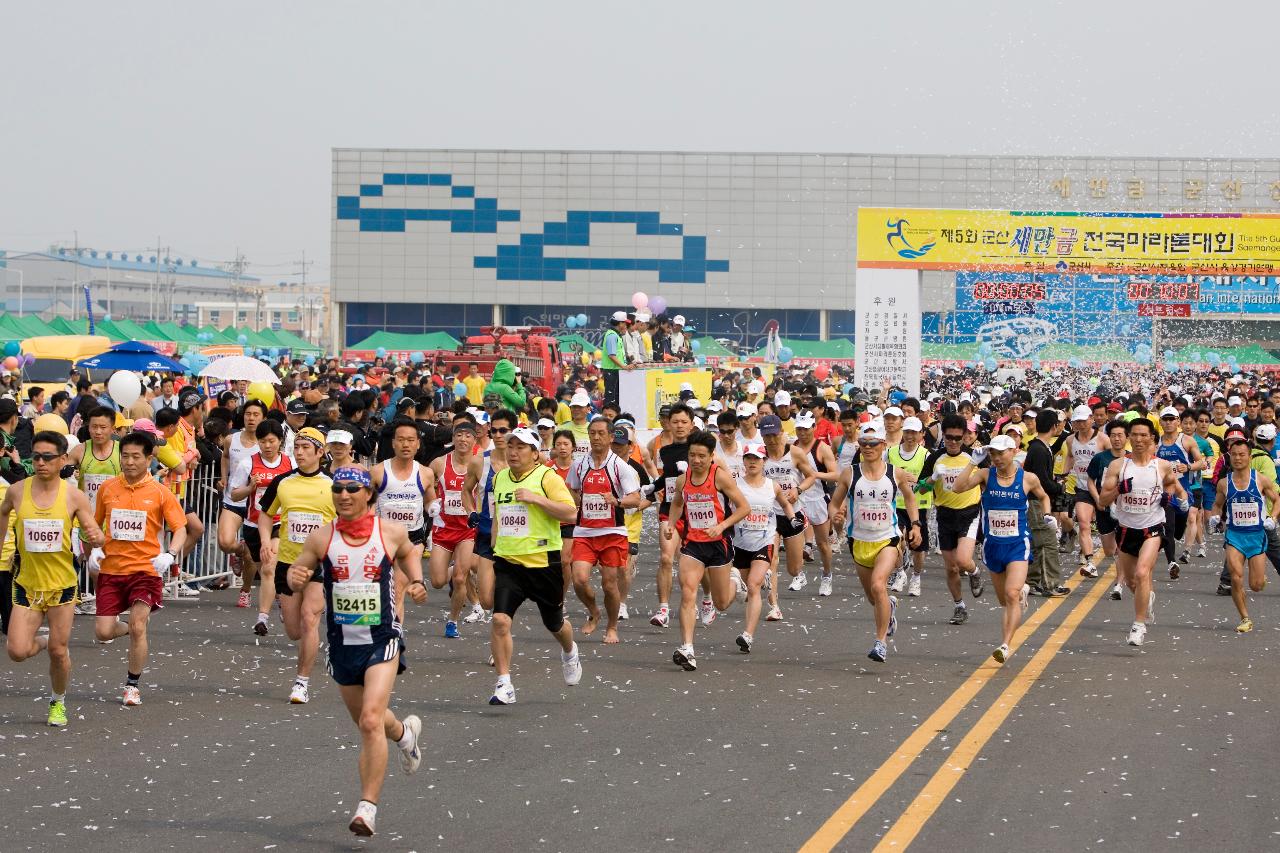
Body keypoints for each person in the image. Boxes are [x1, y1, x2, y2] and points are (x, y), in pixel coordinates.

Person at [285, 466, 428, 837]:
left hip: (382, 636)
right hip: (343, 641)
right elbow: (296, 570)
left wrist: (416, 581)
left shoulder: (389, 532)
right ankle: (404, 735)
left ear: (368, 495)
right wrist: (294, 576)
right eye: (338, 489)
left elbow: (410, 553)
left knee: (368, 720)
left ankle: (367, 808)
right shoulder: (322, 537)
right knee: (373, 721)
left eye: (352, 489)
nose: (344, 495)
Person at [0, 430, 104, 726]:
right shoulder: (17, 490)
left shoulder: (73, 495)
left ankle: (57, 702)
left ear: (62, 460)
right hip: (27, 584)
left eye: (48, 457)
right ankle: (43, 640)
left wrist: (95, 536)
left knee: (60, 652)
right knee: (17, 651)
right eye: (36, 456)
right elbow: (4, 513)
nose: (41, 462)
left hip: (61, 585)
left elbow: (89, 528)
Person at [86, 431, 188, 705]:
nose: (129, 462)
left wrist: (170, 554)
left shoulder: (160, 492)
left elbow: (180, 528)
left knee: (139, 624)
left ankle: (132, 685)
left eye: (135, 457)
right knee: (103, 632)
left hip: (145, 570)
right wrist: (95, 548)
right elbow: (95, 524)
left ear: (149, 458)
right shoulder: (108, 488)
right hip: (112, 569)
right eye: (125, 456)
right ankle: (132, 627)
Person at [488, 427, 582, 705]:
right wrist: (494, 544)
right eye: (510, 446)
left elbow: (570, 512)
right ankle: (504, 683)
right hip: (508, 562)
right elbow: (498, 514)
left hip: (543, 562)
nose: (513, 452)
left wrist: (535, 498)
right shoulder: (501, 477)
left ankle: (569, 651)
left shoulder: (546, 477)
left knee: (554, 623)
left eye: (520, 447)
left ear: (534, 453)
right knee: (500, 620)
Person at [950, 435, 1050, 663]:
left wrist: (1046, 515)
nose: (996, 458)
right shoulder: (986, 475)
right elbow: (957, 488)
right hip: (993, 546)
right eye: (992, 453)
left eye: (1000, 453)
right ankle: (1020, 594)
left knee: (1011, 594)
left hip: (1017, 545)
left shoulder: (1028, 478)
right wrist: (973, 463)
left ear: (1013, 451)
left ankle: (1005, 645)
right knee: (1004, 601)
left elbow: (1044, 497)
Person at [830, 420, 921, 662]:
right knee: (874, 597)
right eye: (863, 443)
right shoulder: (850, 473)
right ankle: (888, 607)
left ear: (882, 445)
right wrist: (836, 516)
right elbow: (834, 503)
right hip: (859, 540)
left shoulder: (895, 473)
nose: (867, 447)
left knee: (879, 585)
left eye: (872, 443)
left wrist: (915, 525)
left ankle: (880, 643)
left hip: (887, 539)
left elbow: (911, 500)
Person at [256, 426, 335, 701]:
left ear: (320, 453)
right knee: (293, 631)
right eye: (297, 447)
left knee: (309, 618)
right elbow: (265, 515)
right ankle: (289, 615)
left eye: (305, 448)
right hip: (288, 563)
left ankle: (301, 683)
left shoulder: (333, 484)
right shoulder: (283, 482)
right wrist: (266, 541)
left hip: (320, 564)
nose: (299, 453)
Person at [664, 430, 750, 670]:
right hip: (693, 544)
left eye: (702, 456)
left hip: (718, 544)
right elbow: (677, 503)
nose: (696, 460)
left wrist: (721, 526)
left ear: (712, 456)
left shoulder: (720, 478)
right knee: (688, 592)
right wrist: (671, 524)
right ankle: (687, 648)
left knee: (722, 603)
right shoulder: (683, 479)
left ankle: (736, 580)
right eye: (692, 455)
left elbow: (744, 507)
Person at [1099, 417, 1188, 647]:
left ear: (1151, 438)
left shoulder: (1161, 465)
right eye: (1135, 435)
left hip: (1152, 528)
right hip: (1127, 530)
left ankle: (1138, 625)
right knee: (1131, 582)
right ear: (1129, 437)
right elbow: (1102, 500)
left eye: (1143, 435)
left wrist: (1171, 497)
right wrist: (1120, 489)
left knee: (1141, 573)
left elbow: (1172, 483)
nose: (1139, 439)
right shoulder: (1119, 466)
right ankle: (1146, 598)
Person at [566, 418, 641, 644]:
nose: (596, 437)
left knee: (609, 584)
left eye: (601, 433)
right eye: (592, 433)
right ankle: (594, 611)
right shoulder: (579, 464)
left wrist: (616, 501)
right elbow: (573, 488)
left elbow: (635, 499)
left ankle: (611, 626)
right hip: (585, 532)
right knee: (578, 579)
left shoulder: (620, 466)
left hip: (612, 532)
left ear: (610, 437)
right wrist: (580, 503)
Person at [1209, 437, 1280, 633]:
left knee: (1256, 585)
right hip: (1235, 536)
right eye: (1234, 455)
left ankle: (1260, 578)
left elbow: (1276, 499)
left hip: (1256, 535)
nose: (1238, 458)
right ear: (1229, 457)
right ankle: (1245, 618)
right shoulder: (1224, 483)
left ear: (1249, 456)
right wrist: (1215, 517)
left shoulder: (1260, 479)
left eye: (1242, 455)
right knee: (1236, 577)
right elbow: (1217, 504)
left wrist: (1272, 518)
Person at [922, 413, 987, 624]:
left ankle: (975, 572)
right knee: (951, 568)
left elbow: (989, 479)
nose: (952, 442)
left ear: (965, 437)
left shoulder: (973, 457)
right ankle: (959, 606)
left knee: (962, 560)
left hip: (969, 513)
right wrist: (932, 478)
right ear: (943, 435)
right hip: (945, 514)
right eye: (949, 437)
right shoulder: (934, 458)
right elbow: (920, 489)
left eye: (957, 438)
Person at [371, 417, 438, 617]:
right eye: (401, 439)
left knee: (398, 589)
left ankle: (394, 637)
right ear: (393, 443)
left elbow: (430, 501)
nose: (405, 444)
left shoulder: (425, 473)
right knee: (381, 591)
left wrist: (434, 507)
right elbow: (365, 503)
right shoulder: (378, 472)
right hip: (383, 538)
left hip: (412, 538)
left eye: (410, 440)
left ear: (418, 443)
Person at [731, 440, 792, 653]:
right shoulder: (735, 485)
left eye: (757, 458)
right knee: (745, 590)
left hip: (764, 540)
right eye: (749, 458)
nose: (752, 462)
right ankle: (760, 577)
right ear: (744, 461)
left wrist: (793, 519)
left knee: (754, 585)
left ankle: (747, 635)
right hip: (740, 543)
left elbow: (785, 504)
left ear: (764, 461)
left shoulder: (771, 485)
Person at [228, 419, 293, 612]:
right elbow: (234, 494)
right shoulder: (248, 463)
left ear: (280, 441)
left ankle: (270, 609)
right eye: (263, 441)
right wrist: (250, 487)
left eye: (272, 441)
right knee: (260, 566)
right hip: (253, 524)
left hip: (280, 522)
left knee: (270, 565)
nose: (267, 446)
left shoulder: (290, 463)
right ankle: (248, 590)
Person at [760, 413, 817, 619]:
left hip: (793, 513)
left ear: (782, 432)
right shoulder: (759, 456)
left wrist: (798, 490)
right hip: (769, 515)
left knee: (794, 568)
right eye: (767, 436)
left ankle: (798, 574)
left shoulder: (795, 453)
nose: (771, 440)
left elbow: (811, 476)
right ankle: (774, 606)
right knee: (771, 561)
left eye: (774, 435)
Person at [428, 418, 478, 637]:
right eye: (459, 435)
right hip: (443, 529)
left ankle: (453, 621)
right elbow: (426, 484)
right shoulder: (439, 463)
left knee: (460, 578)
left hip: (467, 530)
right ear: (453, 438)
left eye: (468, 436)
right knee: (438, 582)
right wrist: (432, 502)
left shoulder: (479, 464)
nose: (463, 439)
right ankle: (456, 566)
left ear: (475, 440)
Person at [650, 404, 694, 627]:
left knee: (691, 563)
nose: (678, 426)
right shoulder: (664, 452)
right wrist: (648, 491)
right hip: (669, 510)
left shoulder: (699, 449)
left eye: (683, 422)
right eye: (674, 421)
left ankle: (704, 600)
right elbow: (665, 479)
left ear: (691, 425)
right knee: (666, 557)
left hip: (694, 512)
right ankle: (663, 609)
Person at [216, 399, 263, 587]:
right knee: (225, 543)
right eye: (248, 414)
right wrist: (224, 476)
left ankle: (245, 591)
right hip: (233, 499)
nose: (251, 418)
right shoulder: (231, 439)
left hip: (256, 504)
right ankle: (240, 549)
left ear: (263, 418)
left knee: (254, 557)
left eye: (256, 415)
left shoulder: (266, 444)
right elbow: (225, 456)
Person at [1154, 405, 1204, 579]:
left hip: (1183, 492)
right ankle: (1172, 562)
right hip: (1164, 492)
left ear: (1177, 422)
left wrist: (1188, 466)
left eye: (1171, 419)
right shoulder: (1156, 442)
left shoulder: (1186, 441)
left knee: (1177, 530)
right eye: (1165, 419)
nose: (1168, 423)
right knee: (1169, 527)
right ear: (1160, 422)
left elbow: (1202, 462)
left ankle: (1168, 542)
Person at [793, 411, 840, 595]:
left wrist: (813, 475)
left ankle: (827, 575)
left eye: (806, 429)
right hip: (798, 499)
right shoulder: (793, 447)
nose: (802, 432)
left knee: (822, 543)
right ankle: (799, 575)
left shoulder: (822, 447)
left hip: (818, 499)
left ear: (813, 427)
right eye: (799, 429)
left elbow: (835, 474)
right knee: (796, 543)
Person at [888, 416, 931, 597]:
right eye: (907, 432)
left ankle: (916, 577)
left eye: (914, 432)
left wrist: (918, 482)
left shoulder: (926, 455)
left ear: (921, 434)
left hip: (919, 505)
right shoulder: (890, 452)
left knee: (918, 546)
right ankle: (899, 572)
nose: (910, 436)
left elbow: (931, 484)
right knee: (897, 538)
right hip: (896, 503)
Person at [1063, 404, 1106, 577]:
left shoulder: (1102, 439)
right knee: (1083, 522)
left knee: (1108, 529)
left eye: (1083, 420)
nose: (1081, 424)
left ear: (1091, 419)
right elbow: (1070, 457)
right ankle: (1090, 561)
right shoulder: (1070, 440)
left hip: (1103, 488)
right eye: (1077, 421)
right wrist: (1064, 474)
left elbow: (1113, 459)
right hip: (1082, 487)